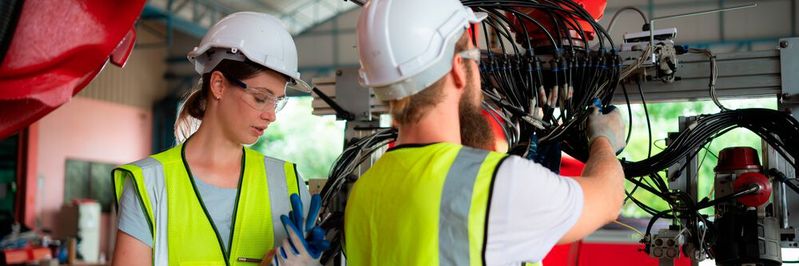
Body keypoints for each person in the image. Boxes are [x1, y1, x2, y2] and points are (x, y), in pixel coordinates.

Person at [344, 0, 627, 265]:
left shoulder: (364, 191)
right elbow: (609, 198)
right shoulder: (498, 184)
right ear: (458, 69)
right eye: (474, 57)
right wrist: (604, 139)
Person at [111, 12, 323, 265]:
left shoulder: (289, 185)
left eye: (277, 102)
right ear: (219, 85)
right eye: (260, 98)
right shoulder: (150, 184)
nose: (270, 116)